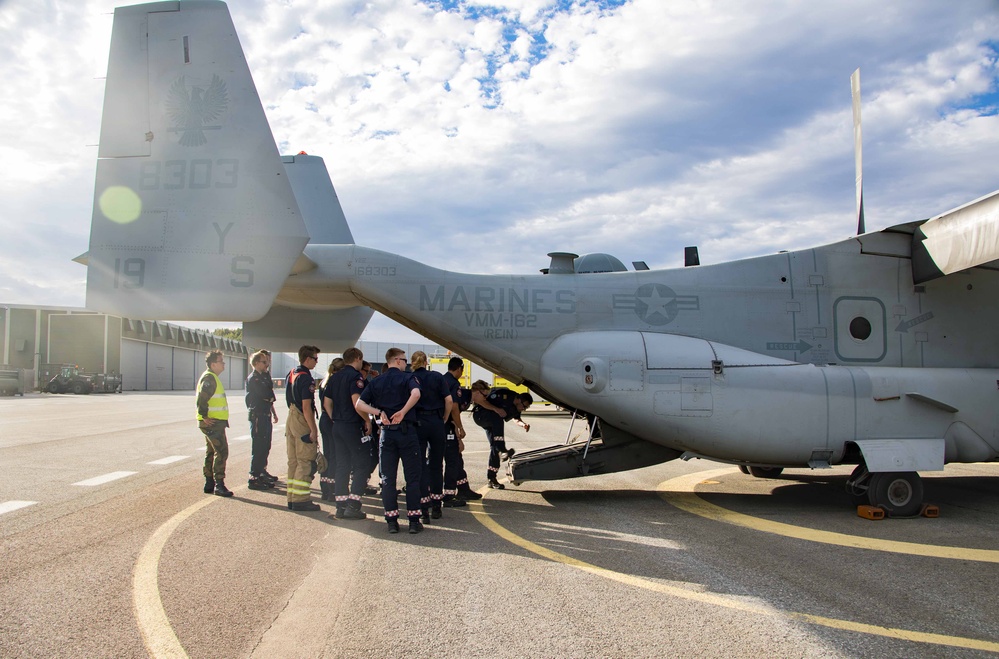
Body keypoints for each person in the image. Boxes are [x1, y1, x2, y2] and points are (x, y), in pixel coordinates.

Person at [355, 348, 424, 534]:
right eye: (404, 359)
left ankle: (392, 521)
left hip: (386, 433)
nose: (406, 362)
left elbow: (359, 404)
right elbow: (416, 394)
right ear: (396, 360)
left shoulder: (377, 381)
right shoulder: (407, 378)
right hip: (407, 432)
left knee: (387, 479)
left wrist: (378, 413)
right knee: (412, 478)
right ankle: (413, 520)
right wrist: (403, 411)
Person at [328, 348, 372, 520]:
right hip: (351, 425)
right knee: (362, 463)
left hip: (337, 425)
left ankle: (341, 505)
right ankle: (353, 505)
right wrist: (367, 420)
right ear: (358, 358)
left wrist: (335, 419)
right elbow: (357, 402)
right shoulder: (355, 377)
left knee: (342, 465)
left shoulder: (335, 377)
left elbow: (327, 402)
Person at [410, 351, 453, 521]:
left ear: (412, 363)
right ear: (426, 362)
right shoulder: (437, 377)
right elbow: (449, 401)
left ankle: (424, 508)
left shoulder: (410, 378)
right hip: (435, 422)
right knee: (436, 464)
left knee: (420, 466)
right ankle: (437, 505)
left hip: (417, 423)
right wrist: (444, 417)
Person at [471, 383, 532, 489]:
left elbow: (516, 419)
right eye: (524, 406)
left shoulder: (516, 408)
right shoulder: (504, 395)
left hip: (492, 423)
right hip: (481, 415)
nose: (524, 409)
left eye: (526, 407)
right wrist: (496, 409)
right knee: (498, 415)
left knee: (495, 448)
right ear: (518, 399)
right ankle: (503, 449)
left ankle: (492, 478)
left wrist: (524, 425)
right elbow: (483, 401)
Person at [285, 345, 322, 512]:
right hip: (301, 417)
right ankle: (301, 499)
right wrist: (313, 429)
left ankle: (292, 498)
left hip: (291, 416)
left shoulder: (292, 373)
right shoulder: (306, 378)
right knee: (305, 459)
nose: (316, 361)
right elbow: (307, 407)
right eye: (315, 358)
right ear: (307, 359)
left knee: (293, 460)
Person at [197, 349, 233, 497]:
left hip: (214, 422)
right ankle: (219, 484)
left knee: (211, 452)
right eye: (221, 361)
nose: (223, 364)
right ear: (213, 364)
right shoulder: (209, 379)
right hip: (213, 423)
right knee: (222, 451)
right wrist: (204, 416)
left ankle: (209, 483)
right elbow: (202, 399)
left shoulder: (212, 377)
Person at [441, 357, 477, 505]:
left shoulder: (441, 379)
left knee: (454, 459)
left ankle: (463, 488)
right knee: (452, 460)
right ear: (459, 369)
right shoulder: (453, 383)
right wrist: (460, 427)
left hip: (436, 425)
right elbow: (454, 407)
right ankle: (449, 495)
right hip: (446, 426)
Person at [245, 350, 278, 491]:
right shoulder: (254, 378)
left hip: (265, 414)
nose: (267, 364)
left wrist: (272, 408)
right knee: (258, 446)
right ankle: (254, 477)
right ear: (256, 363)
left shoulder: (264, 376)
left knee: (266, 445)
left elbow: (270, 394)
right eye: (264, 362)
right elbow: (265, 394)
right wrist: (269, 396)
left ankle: (261, 472)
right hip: (258, 415)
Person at [318, 358, 344, 501]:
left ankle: (325, 487)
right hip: (332, 419)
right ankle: (332, 488)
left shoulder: (324, 382)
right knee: (335, 455)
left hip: (324, 419)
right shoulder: (336, 382)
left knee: (327, 454)